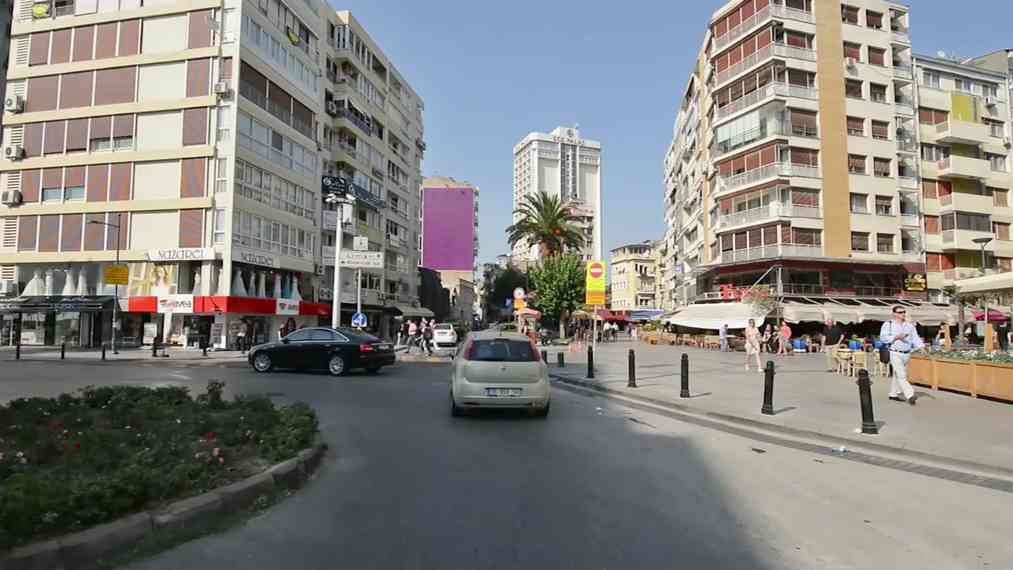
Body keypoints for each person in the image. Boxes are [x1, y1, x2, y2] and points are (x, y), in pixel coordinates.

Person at [880, 306, 924, 405]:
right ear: (894, 314)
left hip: (907, 353)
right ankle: (910, 394)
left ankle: (893, 394)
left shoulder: (909, 326)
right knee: (902, 375)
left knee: (897, 375)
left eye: (904, 312)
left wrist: (921, 347)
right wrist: (896, 337)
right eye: (900, 312)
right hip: (894, 352)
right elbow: (883, 338)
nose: (903, 314)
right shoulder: (888, 324)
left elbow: (915, 338)